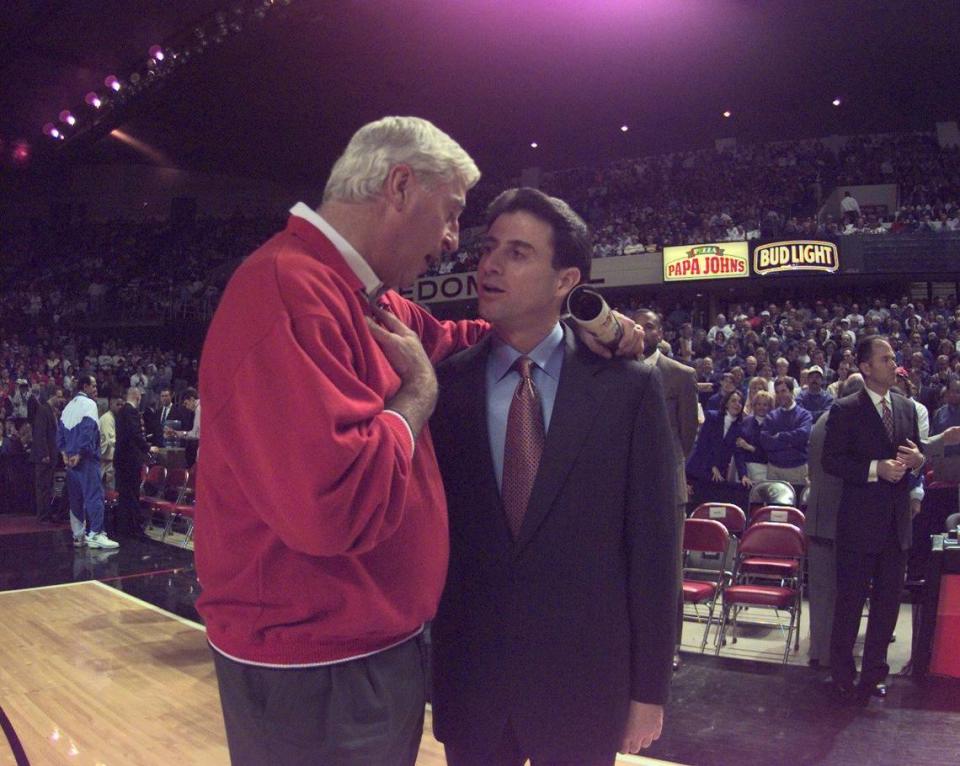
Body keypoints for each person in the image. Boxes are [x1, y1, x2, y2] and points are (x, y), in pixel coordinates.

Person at [193, 118, 642, 766]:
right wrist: (415, 399)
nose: (455, 241)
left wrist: (577, 326)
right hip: (314, 665)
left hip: (361, 650)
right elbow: (333, 507)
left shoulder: (362, 294)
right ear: (400, 186)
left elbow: (464, 343)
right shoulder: (286, 291)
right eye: (453, 214)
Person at [430, 188, 678, 765]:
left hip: (584, 691)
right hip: (473, 689)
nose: (489, 264)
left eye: (517, 253)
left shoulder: (629, 388)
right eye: (488, 248)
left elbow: (654, 550)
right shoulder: (445, 387)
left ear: (566, 280)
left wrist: (649, 692)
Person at [823, 337, 926, 702]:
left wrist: (918, 463)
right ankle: (841, 673)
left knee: (886, 605)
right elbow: (831, 461)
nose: (893, 364)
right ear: (865, 367)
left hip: (896, 524)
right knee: (849, 603)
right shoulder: (846, 408)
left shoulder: (905, 407)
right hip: (858, 523)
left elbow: (915, 455)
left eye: (894, 358)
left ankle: (875, 674)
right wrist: (874, 469)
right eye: (885, 359)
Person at [635, 307, 698, 671]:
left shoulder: (680, 375)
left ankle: (670, 646)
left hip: (667, 488)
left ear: (661, 332)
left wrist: (667, 467)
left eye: (650, 325)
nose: (643, 330)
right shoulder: (615, 371)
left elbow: (686, 436)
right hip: (626, 487)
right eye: (638, 325)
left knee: (669, 572)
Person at [806, 373, 865, 669]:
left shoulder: (821, 420)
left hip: (818, 517)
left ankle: (819, 652)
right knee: (840, 594)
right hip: (840, 519)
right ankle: (832, 656)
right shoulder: (847, 422)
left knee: (820, 594)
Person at [56, 375, 119, 549]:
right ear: (85, 386)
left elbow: (60, 432)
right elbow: (88, 429)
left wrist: (64, 453)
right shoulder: (90, 404)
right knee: (94, 495)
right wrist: (80, 452)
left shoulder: (68, 406)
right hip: (86, 459)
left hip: (70, 461)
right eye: (94, 385)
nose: (96, 389)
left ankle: (78, 535)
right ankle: (96, 534)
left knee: (75, 498)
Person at [686, 389, 750, 506]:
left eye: (740, 402)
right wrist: (712, 465)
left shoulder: (740, 428)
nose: (737, 404)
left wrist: (743, 475)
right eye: (733, 401)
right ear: (726, 403)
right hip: (699, 468)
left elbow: (738, 454)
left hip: (717, 474)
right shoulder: (712, 417)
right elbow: (702, 444)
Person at [115, 387, 158, 538]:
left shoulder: (120, 412)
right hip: (130, 461)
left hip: (120, 460)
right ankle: (135, 529)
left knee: (124, 495)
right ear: (137, 397)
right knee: (132, 494)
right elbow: (135, 434)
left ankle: (124, 528)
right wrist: (148, 448)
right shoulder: (131, 412)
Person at [760, 377, 812, 484]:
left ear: (792, 391)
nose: (780, 395)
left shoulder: (804, 415)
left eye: (783, 391)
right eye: (777, 392)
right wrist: (791, 443)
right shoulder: (771, 416)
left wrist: (779, 436)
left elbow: (803, 436)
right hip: (774, 469)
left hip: (797, 469)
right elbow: (766, 442)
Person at [30, 385, 64, 523]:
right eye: (59, 396)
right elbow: (40, 434)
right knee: (43, 486)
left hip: (50, 455)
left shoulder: (50, 411)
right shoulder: (43, 411)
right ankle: (43, 515)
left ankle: (46, 513)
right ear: (52, 396)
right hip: (45, 456)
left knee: (47, 486)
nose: (61, 399)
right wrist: (44, 454)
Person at [736, 389, 774, 484]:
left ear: (770, 407)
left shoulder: (773, 425)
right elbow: (739, 450)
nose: (761, 407)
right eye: (758, 404)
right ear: (754, 405)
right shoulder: (745, 422)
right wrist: (743, 474)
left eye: (765, 405)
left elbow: (769, 454)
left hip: (764, 469)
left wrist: (750, 448)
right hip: (744, 469)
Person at [99, 393, 123, 492]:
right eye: (117, 404)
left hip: (111, 461)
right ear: (110, 404)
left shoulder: (115, 418)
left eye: (122, 405)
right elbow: (111, 440)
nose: (120, 407)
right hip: (106, 462)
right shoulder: (107, 418)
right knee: (108, 492)